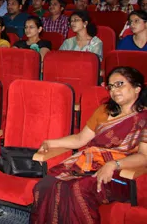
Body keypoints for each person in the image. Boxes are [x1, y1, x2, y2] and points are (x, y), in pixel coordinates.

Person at [31, 66, 147, 224]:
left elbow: (143, 157)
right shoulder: (104, 111)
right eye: (111, 86)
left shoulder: (144, 119)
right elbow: (80, 139)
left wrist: (114, 164)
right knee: (46, 184)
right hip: (90, 163)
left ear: (137, 88)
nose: (114, 90)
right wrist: (50, 142)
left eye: (120, 84)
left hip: (123, 172)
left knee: (78, 189)